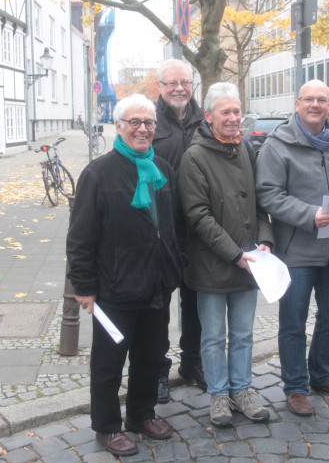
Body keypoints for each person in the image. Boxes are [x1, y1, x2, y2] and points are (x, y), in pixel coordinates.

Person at [66, 95, 186, 456]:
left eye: (148, 123)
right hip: (115, 287)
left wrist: (175, 263)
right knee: (109, 363)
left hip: (156, 283)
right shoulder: (99, 172)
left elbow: (173, 224)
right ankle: (106, 426)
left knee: (151, 355)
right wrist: (83, 286)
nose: (142, 129)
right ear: (118, 126)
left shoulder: (162, 167)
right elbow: (80, 236)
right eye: (134, 122)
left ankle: (140, 414)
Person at [255, 79, 329, 417]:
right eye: (308, 99)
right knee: (293, 323)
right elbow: (268, 193)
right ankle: (296, 386)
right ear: (297, 104)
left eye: (322, 100)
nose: (315, 105)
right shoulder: (278, 145)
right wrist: (308, 215)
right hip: (296, 253)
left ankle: (323, 373)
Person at [178, 82, 273, 427]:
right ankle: (219, 394)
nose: (234, 118)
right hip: (212, 266)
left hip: (249, 264)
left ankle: (242, 390)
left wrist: (265, 240)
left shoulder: (247, 150)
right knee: (215, 336)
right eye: (226, 113)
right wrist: (235, 255)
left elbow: (260, 204)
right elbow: (198, 217)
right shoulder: (195, 157)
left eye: (237, 112)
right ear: (208, 116)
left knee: (245, 334)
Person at [153, 58, 207, 402]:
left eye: (184, 82)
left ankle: (193, 362)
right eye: (171, 83)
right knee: (158, 304)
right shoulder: (148, 120)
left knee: (197, 300)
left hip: (199, 228)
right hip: (160, 229)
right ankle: (157, 369)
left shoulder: (206, 120)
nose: (178, 88)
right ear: (159, 86)